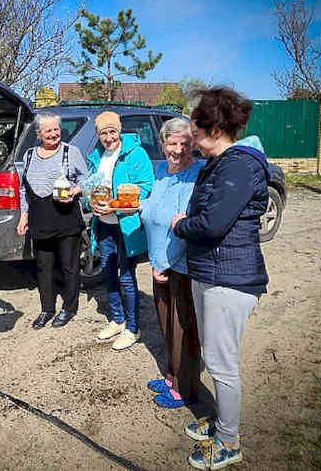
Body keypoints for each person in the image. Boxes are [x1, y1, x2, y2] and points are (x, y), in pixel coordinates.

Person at [171, 87, 270, 469]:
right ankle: (222, 421)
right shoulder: (219, 164)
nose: (191, 140)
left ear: (215, 129)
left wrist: (181, 225)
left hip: (231, 280)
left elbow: (212, 224)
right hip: (211, 273)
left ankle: (229, 442)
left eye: (195, 132)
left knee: (222, 363)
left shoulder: (239, 166)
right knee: (216, 358)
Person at [138, 117, 203, 408]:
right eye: (171, 143)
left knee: (182, 326)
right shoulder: (161, 171)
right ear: (162, 144)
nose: (177, 149)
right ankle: (172, 374)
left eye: (184, 143)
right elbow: (154, 208)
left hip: (180, 264)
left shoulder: (197, 174)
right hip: (159, 261)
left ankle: (185, 387)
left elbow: (186, 223)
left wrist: (165, 262)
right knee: (165, 321)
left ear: (193, 144)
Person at [86, 111, 154, 350]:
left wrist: (114, 203)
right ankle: (117, 319)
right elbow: (90, 189)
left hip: (126, 226)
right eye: (103, 133)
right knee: (108, 272)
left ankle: (133, 328)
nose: (108, 137)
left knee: (126, 275)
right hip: (104, 225)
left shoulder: (136, 154)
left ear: (119, 130)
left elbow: (146, 188)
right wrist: (91, 204)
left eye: (112, 131)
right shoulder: (96, 156)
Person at [16, 113, 89, 329]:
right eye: (48, 130)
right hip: (40, 220)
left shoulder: (70, 152)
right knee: (43, 267)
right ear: (39, 134)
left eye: (57, 129)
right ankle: (47, 309)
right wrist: (23, 216)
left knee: (69, 267)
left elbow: (86, 179)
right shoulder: (29, 156)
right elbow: (23, 190)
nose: (54, 134)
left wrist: (74, 190)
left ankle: (69, 307)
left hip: (66, 218)